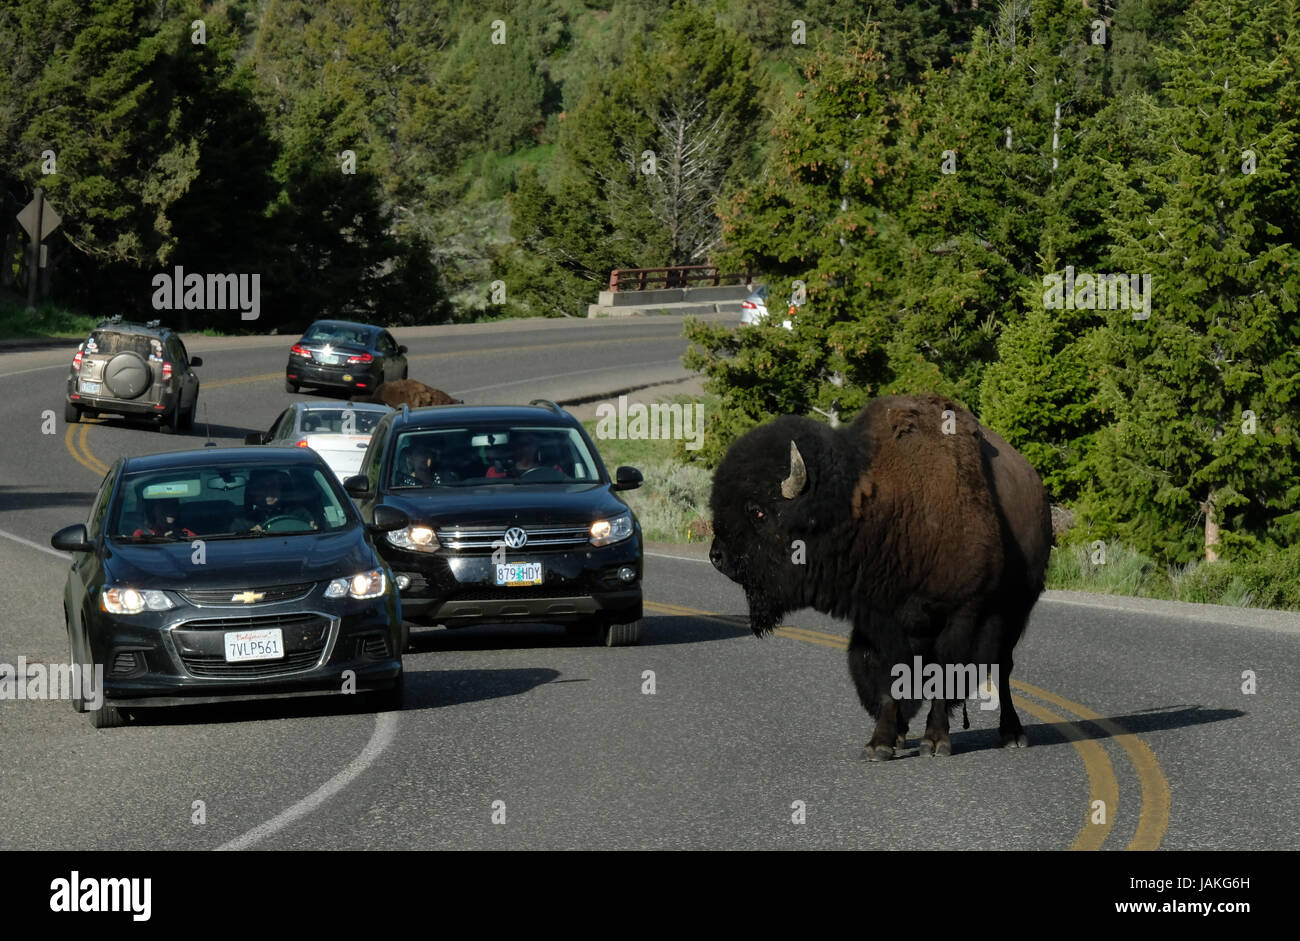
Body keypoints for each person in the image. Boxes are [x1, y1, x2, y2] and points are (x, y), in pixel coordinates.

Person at [232, 469, 317, 532]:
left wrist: (313, 530)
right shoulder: (243, 521)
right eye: (262, 486)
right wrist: (249, 536)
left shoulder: (299, 514)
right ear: (253, 491)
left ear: (280, 488)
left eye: (273, 485)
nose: (268, 490)